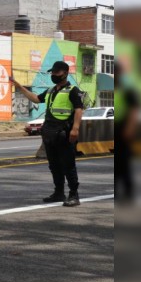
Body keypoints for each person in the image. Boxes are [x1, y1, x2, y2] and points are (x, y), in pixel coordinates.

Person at [10, 60, 84, 207]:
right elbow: (36, 99)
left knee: (68, 165)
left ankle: (74, 195)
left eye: (57, 72)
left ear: (65, 73)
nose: (54, 75)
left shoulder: (73, 90)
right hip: (50, 133)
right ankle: (58, 192)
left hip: (65, 133)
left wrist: (75, 129)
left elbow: (78, 109)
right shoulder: (51, 90)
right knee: (54, 165)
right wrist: (19, 87)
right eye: (53, 72)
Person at [114, 61, 139, 203]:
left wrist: (130, 128)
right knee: (117, 163)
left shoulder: (127, 91)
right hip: (115, 130)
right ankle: (117, 191)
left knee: (124, 163)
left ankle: (129, 191)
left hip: (123, 130)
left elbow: (134, 110)